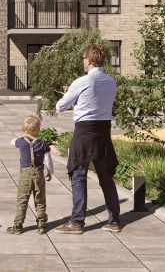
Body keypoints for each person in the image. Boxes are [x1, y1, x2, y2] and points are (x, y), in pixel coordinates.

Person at [55, 45, 121, 234]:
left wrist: (70, 94)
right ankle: (114, 221)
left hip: (84, 131)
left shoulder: (82, 81)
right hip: (103, 131)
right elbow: (99, 101)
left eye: (84, 58)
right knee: (106, 177)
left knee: (78, 175)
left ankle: (77, 222)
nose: (83, 61)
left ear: (90, 60)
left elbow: (61, 106)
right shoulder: (111, 81)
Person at [7, 113, 53, 234]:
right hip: (39, 173)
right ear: (38, 129)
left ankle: (18, 226)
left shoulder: (20, 142)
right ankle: (41, 224)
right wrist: (50, 172)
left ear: (23, 128)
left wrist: (23, 136)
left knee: (22, 199)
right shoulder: (43, 143)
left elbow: (12, 141)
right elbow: (48, 159)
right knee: (40, 199)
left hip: (25, 174)